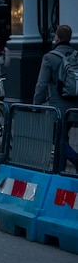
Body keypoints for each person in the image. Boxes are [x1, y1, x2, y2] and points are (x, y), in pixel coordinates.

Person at [34, 24, 78, 170]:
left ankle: (73, 162)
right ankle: (60, 171)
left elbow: (42, 84)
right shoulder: (76, 55)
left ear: (57, 38)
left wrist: (37, 104)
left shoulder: (50, 57)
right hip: (74, 106)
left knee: (56, 138)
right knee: (63, 138)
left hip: (57, 107)